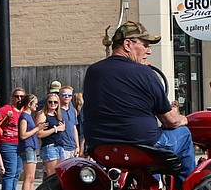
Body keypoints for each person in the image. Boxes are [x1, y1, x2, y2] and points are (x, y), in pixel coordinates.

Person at [82, 21, 195, 180]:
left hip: (100, 148)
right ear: (128, 44)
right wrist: (183, 120)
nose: (148, 51)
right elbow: (170, 120)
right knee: (183, 134)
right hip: (141, 145)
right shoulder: (146, 73)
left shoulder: (93, 71)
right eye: (145, 45)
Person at [0, 87, 24, 190]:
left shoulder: (24, 110)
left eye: (21, 96)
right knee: (10, 171)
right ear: (12, 98)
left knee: (17, 171)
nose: (19, 99)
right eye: (16, 96)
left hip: (20, 144)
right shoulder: (6, 109)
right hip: (8, 143)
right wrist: (6, 119)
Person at [17, 94, 40, 190]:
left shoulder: (29, 116)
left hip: (31, 147)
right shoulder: (24, 117)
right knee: (28, 177)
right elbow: (23, 135)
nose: (37, 105)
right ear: (29, 104)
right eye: (35, 103)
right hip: (27, 147)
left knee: (31, 178)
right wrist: (36, 129)